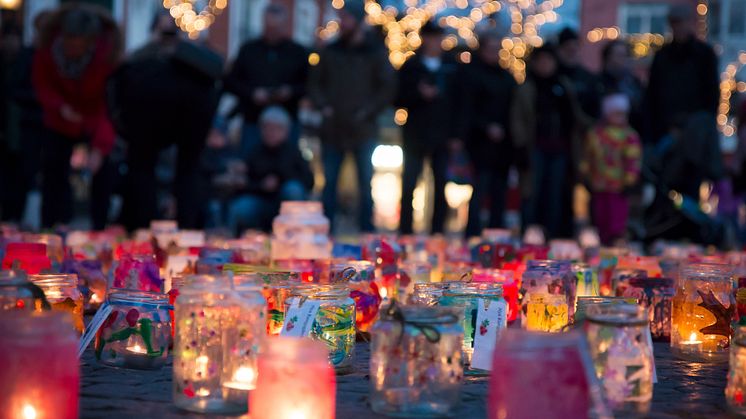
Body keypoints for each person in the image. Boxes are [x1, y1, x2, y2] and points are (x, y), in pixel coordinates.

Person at [109, 11, 222, 230]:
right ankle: (145, 226)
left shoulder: (192, 58)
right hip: (147, 123)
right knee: (144, 171)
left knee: (185, 172)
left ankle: (185, 227)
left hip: (186, 122)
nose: (167, 35)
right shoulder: (142, 57)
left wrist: (179, 48)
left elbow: (217, 69)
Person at [308, 0, 396, 232]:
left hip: (362, 128)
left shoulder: (375, 52)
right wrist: (324, 106)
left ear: (357, 20)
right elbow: (315, 84)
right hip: (333, 128)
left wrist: (368, 111)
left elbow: (387, 88)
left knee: (365, 186)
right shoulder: (331, 50)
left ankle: (366, 233)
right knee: (329, 185)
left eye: (346, 17)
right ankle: (325, 232)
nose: (342, 22)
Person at [32, 5, 121, 229]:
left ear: (91, 42)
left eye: (78, 45)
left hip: (94, 122)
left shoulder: (106, 58)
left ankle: (99, 229)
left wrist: (99, 148)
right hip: (58, 121)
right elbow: (42, 85)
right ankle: (51, 227)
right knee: (53, 172)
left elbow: (108, 107)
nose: (72, 50)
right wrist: (59, 106)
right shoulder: (47, 51)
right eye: (69, 43)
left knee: (104, 171)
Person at [396, 21, 460, 235]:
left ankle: (437, 232)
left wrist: (455, 135)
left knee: (440, 184)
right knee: (409, 185)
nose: (435, 43)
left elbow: (461, 103)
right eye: (432, 38)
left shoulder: (452, 67)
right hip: (415, 135)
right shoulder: (411, 66)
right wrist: (418, 94)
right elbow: (397, 97)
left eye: (438, 38)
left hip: (442, 135)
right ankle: (405, 232)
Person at [511, 44, 580, 239]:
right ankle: (529, 235)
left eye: (548, 61)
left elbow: (574, 116)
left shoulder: (563, 86)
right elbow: (518, 119)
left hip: (559, 149)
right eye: (541, 61)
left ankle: (551, 235)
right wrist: (521, 146)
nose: (545, 65)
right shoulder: (527, 88)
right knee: (531, 193)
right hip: (535, 148)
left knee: (554, 194)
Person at [223, 4, 308, 155]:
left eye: (276, 28)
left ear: (284, 26)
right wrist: (252, 93)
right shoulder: (249, 50)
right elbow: (231, 81)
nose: (271, 32)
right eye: (269, 27)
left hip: (286, 120)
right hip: (253, 120)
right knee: (249, 163)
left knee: (287, 166)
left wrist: (290, 92)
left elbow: (308, 84)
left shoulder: (297, 53)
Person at [463, 32, 517, 237]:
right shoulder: (471, 75)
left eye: (497, 49)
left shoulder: (507, 77)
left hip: (503, 148)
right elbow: (467, 109)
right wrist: (485, 127)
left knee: (499, 193)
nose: (494, 53)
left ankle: (496, 238)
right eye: (490, 48)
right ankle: (473, 235)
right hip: (479, 144)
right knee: (479, 190)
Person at [226, 107, 314, 234]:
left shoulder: (293, 153)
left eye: (275, 128)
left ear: (285, 131)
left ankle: (295, 234)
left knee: (293, 189)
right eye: (267, 128)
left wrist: (281, 180)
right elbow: (243, 184)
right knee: (240, 207)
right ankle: (235, 239)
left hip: (286, 207)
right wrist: (261, 185)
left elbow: (308, 181)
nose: (270, 132)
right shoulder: (254, 152)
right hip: (261, 202)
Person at [644, 4, 719, 145]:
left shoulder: (704, 54)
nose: (678, 28)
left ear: (690, 22)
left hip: (697, 130)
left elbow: (712, 93)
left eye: (680, 22)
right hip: (665, 129)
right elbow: (653, 94)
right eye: (674, 23)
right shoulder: (662, 56)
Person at [580, 94, 641, 245]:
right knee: (600, 215)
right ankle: (601, 242)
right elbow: (588, 155)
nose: (620, 118)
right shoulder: (596, 134)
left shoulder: (629, 136)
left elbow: (633, 159)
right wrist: (585, 173)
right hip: (599, 184)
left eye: (622, 114)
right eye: (616, 114)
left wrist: (630, 179)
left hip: (619, 186)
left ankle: (616, 242)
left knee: (617, 217)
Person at [556, 27, 602, 121]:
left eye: (574, 49)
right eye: (568, 49)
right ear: (560, 50)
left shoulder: (588, 78)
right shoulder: (551, 76)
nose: (572, 53)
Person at [600, 40, 645, 134]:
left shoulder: (635, 84)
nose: (623, 59)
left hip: (631, 139)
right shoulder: (598, 84)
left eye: (625, 55)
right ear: (608, 58)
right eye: (619, 55)